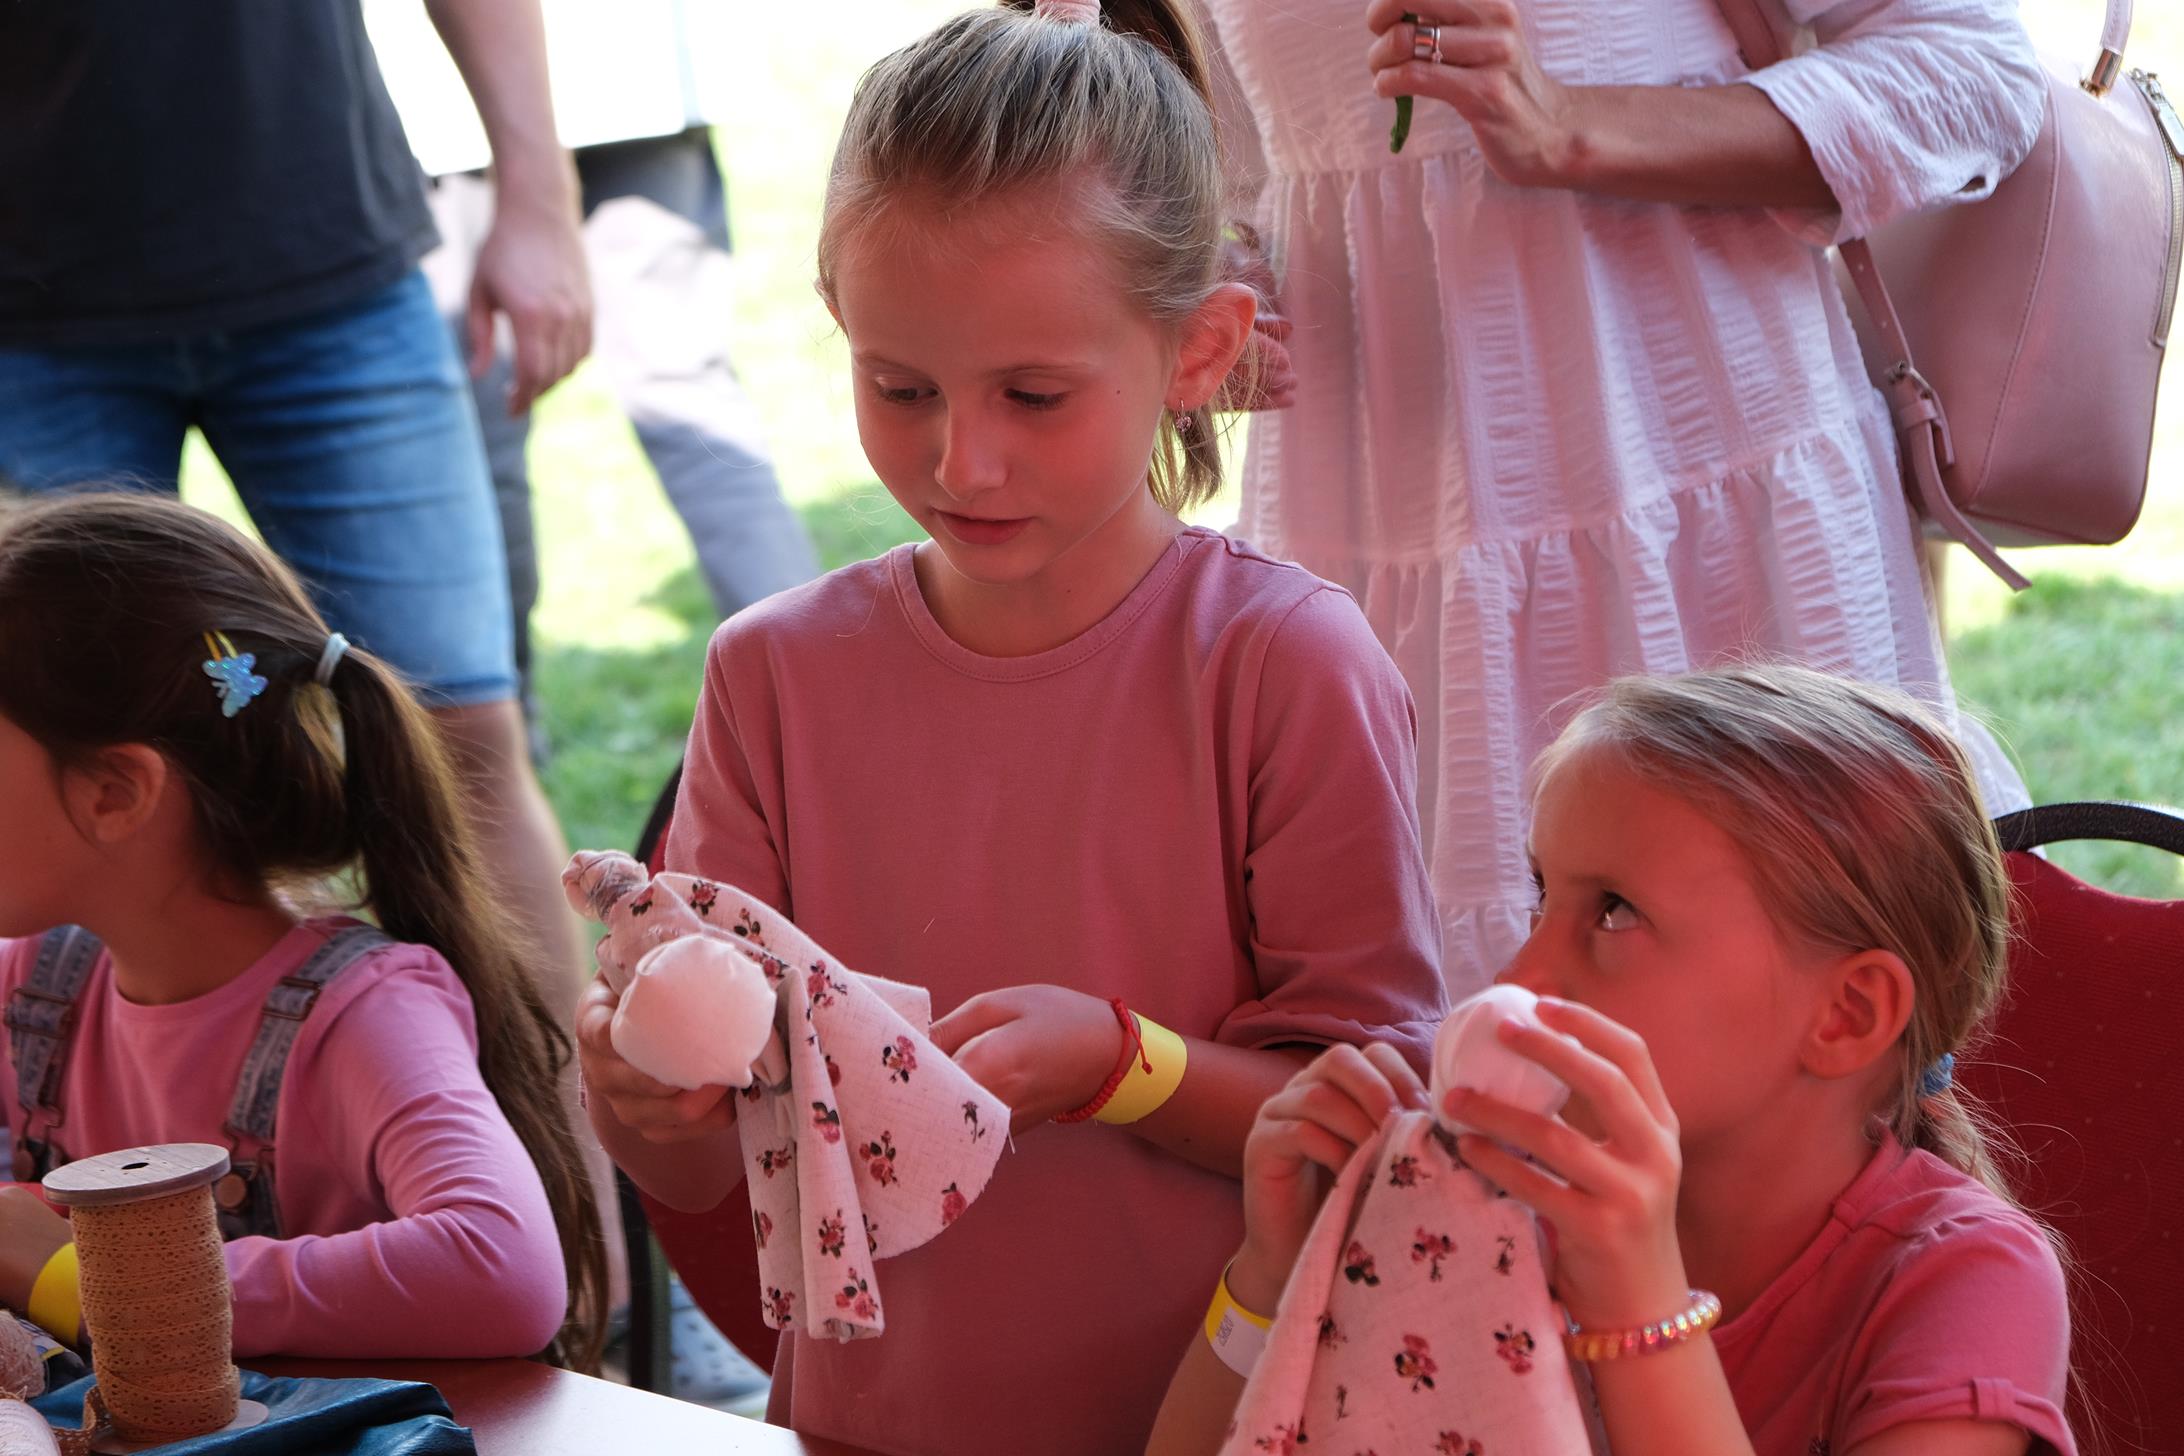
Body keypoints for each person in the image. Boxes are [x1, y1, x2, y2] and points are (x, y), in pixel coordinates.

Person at [576, 4, 1453, 1452]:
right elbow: (701, 1170)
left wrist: (1125, 1065)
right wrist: (641, 1092)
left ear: (1200, 350)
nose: (961, 460)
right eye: (899, 387)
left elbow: (1373, 1119)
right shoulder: (773, 675)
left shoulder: (1284, 665)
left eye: (1034, 396)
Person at [1193, 0, 2045, 985]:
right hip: (1365, 511)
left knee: (1795, 969)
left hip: (1701, 483)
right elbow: (1235, 162)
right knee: (1417, 1022)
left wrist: (1567, 123)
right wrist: (1215, 283)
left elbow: (1972, 67)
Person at [1150, 663, 2073, 1456]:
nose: (1518, 975)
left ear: (1846, 1015)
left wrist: (1641, 1313)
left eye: (1615, 912)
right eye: (1541, 895)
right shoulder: (1498, 1203)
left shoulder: (1970, 1284)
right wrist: (1278, 1276)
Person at [0, 0, 595, 1012]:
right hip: (33, 303)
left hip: (330, 261)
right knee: (69, 775)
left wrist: (539, 192)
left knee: (460, 732)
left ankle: (552, 1115)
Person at [0, 493, 608, 1366]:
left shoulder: (363, 1014)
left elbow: (503, 1272)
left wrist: (91, 1280)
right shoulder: (37, 987)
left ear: (115, 793)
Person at [369, 0, 821, 758]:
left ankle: (499, 748)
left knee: (485, 432)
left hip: (474, 102)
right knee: (684, 398)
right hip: (625, 70)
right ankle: (818, 699)